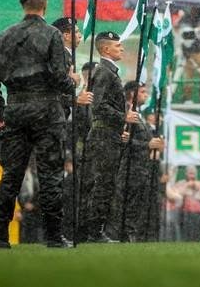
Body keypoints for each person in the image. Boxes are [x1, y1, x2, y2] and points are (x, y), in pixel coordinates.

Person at [0, 0, 75, 249]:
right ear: (44, 5)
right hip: (47, 109)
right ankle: (54, 236)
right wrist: (73, 86)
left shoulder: (4, 36)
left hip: (15, 109)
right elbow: (58, 76)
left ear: (23, 5)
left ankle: (1, 236)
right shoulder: (52, 34)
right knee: (51, 175)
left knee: (11, 176)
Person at [79, 31, 128, 243]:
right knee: (103, 183)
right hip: (104, 134)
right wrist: (122, 116)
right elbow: (99, 105)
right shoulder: (104, 72)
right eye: (118, 46)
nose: (122, 48)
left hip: (109, 133)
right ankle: (94, 231)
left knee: (106, 184)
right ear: (106, 49)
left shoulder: (109, 72)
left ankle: (97, 229)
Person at [112, 81, 164, 242]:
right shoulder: (126, 113)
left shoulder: (138, 114)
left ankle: (129, 234)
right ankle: (123, 234)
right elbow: (122, 140)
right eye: (142, 92)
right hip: (129, 168)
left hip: (141, 168)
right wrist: (147, 145)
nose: (146, 95)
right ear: (132, 94)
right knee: (127, 204)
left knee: (135, 205)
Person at [171, 166, 200, 241]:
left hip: (199, 214)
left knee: (197, 236)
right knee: (185, 237)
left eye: (194, 173)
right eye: (190, 173)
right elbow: (174, 195)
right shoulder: (181, 183)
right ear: (186, 174)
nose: (192, 176)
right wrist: (186, 186)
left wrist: (199, 188)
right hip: (184, 214)